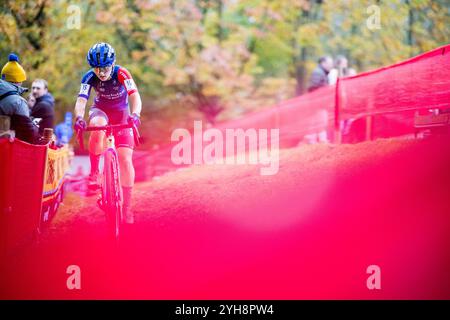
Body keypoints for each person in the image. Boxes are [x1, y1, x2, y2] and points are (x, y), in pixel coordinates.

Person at [73, 42, 142, 224]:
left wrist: (135, 115)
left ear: (112, 64)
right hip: (100, 110)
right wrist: (79, 117)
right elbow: (81, 101)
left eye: (104, 68)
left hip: (122, 113)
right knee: (96, 125)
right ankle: (95, 172)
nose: (101, 73)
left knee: (125, 159)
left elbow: (135, 96)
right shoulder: (89, 77)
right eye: (97, 69)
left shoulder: (122, 73)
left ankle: (127, 207)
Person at [0, 53, 39, 144]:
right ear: (18, 81)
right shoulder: (18, 102)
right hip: (7, 150)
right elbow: (28, 133)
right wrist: (36, 128)